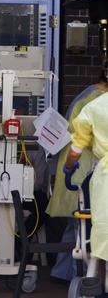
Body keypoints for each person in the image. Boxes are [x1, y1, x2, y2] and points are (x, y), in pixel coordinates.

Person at [48, 70, 108, 282]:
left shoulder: (85, 94)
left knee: (76, 224)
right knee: (86, 227)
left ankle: (62, 273)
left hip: (74, 162)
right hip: (88, 165)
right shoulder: (97, 99)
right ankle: (78, 277)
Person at [64, 89, 108, 272]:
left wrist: (68, 168)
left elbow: (75, 150)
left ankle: (96, 278)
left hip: (104, 177)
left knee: (102, 225)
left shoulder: (94, 107)